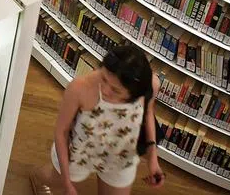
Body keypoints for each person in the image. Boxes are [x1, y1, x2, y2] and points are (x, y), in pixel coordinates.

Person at [30, 44, 164, 195]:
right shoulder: (80, 87)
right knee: (51, 179)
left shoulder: (151, 85)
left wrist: (152, 158)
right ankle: (38, 178)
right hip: (79, 152)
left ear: (135, 92)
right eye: (103, 78)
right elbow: (62, 132)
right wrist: (66, 183)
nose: (105, 90)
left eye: (115, 90)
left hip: (121, 154)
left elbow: (148, 112)